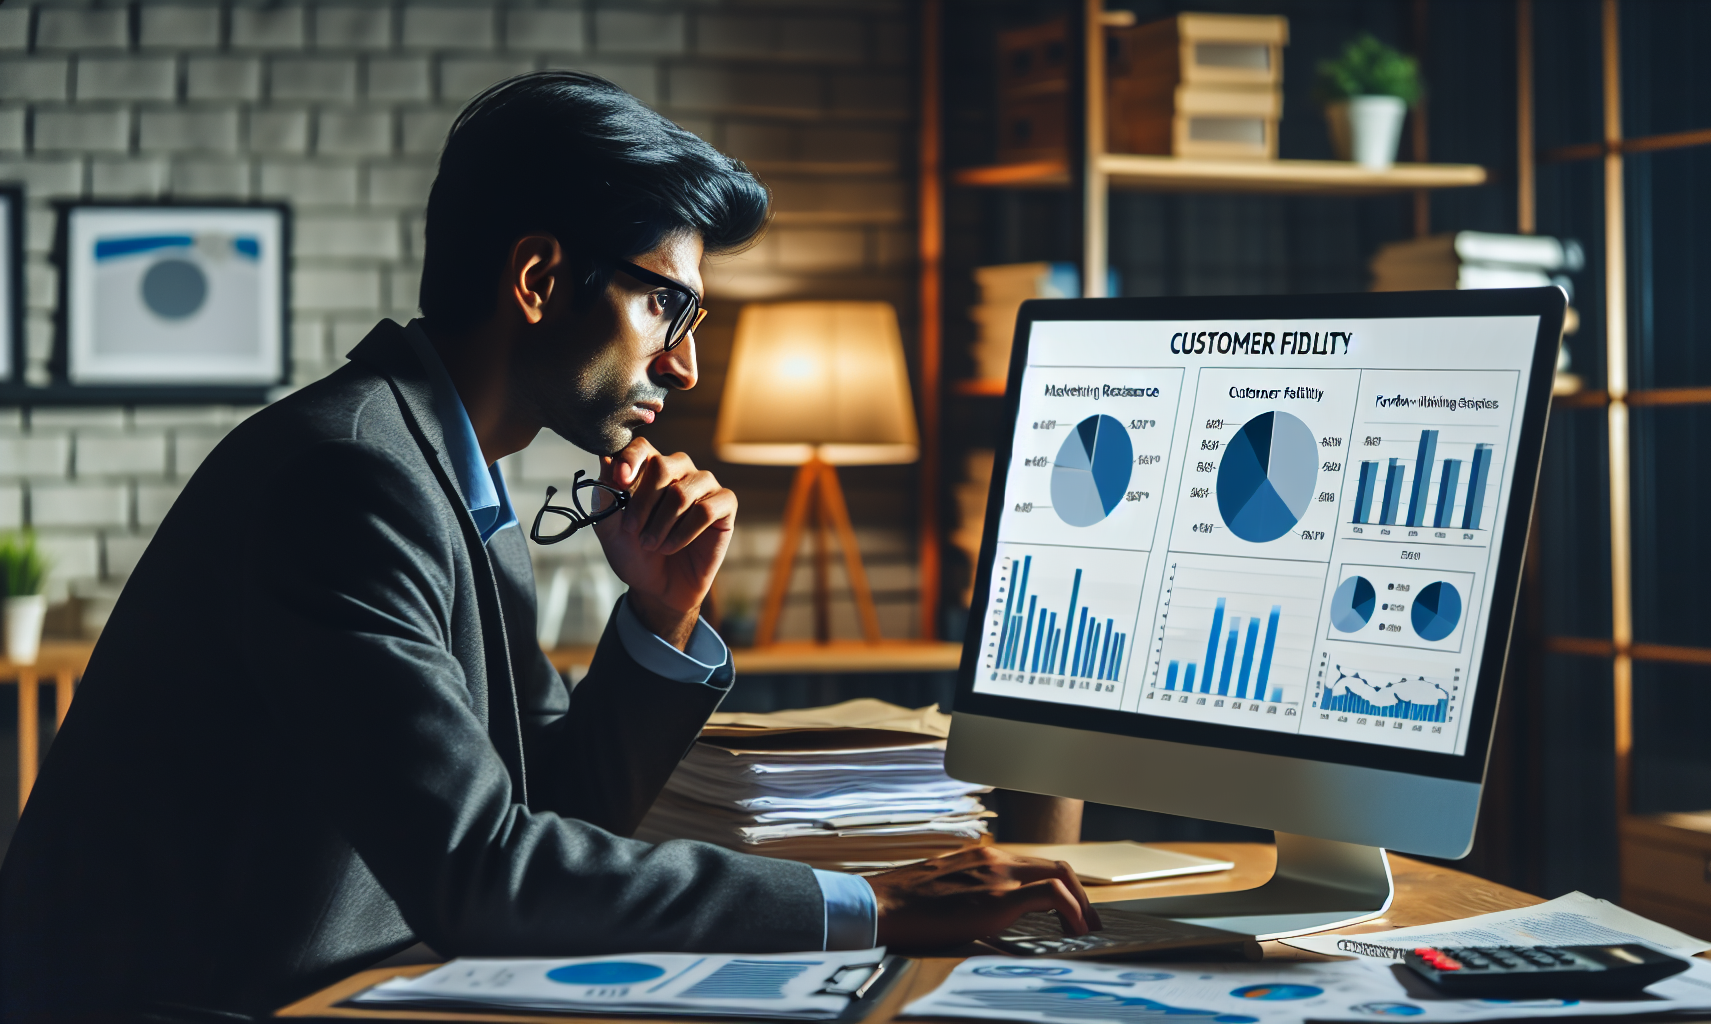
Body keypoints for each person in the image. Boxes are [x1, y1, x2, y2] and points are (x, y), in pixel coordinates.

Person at [0, 72, 1097, 1023]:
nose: (686, 368)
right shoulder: (348, 478)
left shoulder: (440, 472)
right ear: (535, 280)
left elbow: (549, 818)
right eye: (668, 305)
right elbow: (487, 875)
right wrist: (876, 904)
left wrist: (659, 612)